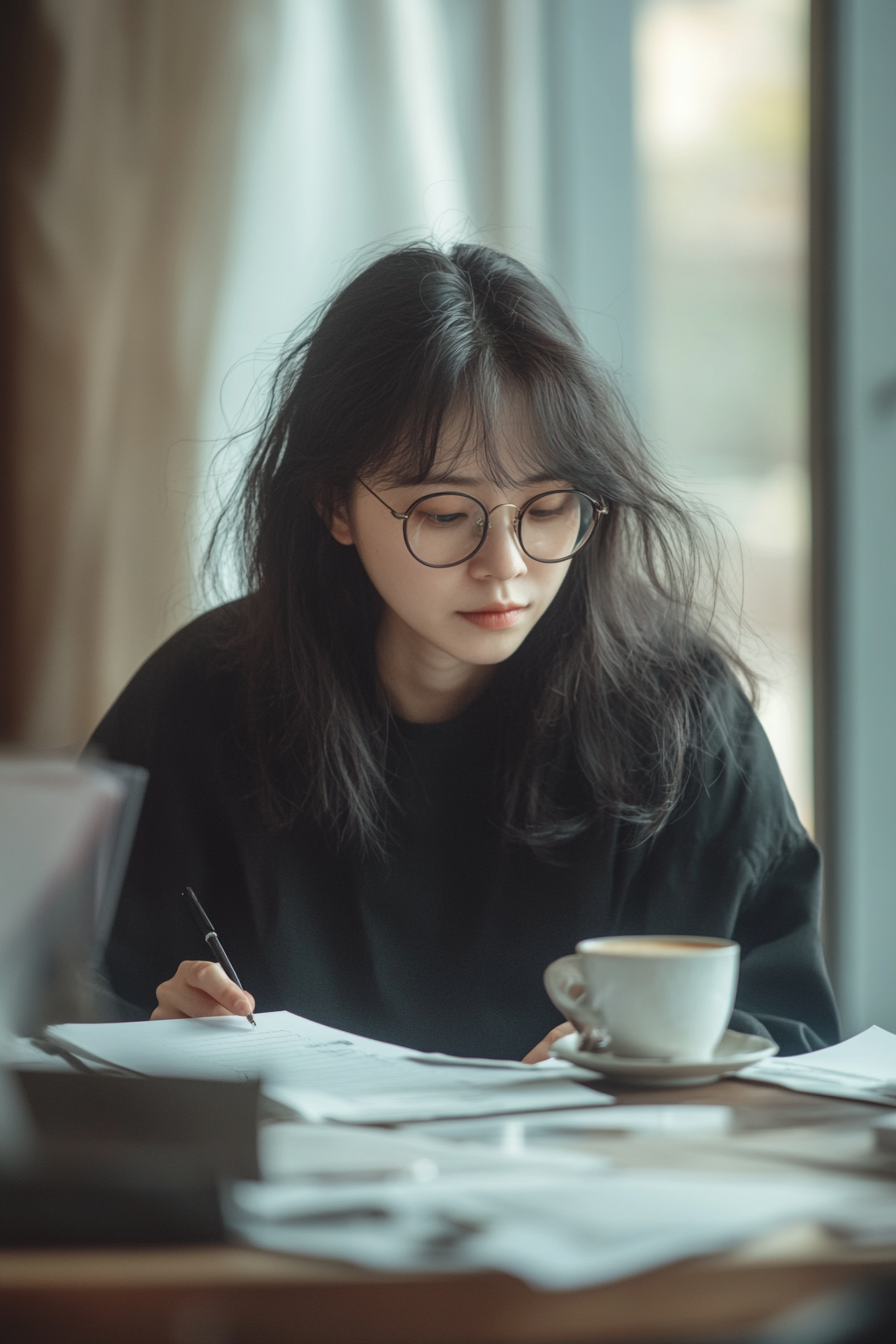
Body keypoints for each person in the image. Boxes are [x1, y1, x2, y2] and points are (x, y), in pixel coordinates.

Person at [89, 242, 839, 1062]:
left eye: (549, 507)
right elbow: (63, 999)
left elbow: (794, 1033)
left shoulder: (679, 719)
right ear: (335, 504)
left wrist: (658, 1062)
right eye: (446, 515)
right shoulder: (202, 699)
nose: (507, 566)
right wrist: (155, 1037)